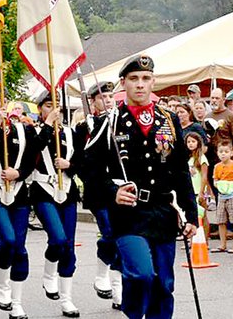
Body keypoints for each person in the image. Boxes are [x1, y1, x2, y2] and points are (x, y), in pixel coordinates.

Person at [85, 54, 197, 319]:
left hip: (162, 212)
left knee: (163, 285)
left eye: (146, 79)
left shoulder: (169, 121)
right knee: (141, 274)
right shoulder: (109, 123)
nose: (140, 84)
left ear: (153, 82)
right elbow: (90, 174)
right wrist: (113, 192)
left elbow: (181, 170)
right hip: (128, 215)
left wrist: (192, 215)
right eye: (134, 79)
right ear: (123, 83)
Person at [0, 105, 39, 319]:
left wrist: (18, 173)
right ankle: (3, 286)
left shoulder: (22, 130)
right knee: (8, 240)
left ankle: (17, 302)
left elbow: (31, 160)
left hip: (18, 191)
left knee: (19, 247)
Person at [32, 91, 84, 318]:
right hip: (43, 190)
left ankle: (67, 299)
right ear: (40, 109)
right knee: (58, 239)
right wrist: (47, 124)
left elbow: (82, 162)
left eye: (56, 105)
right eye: (47, 105)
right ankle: (48, 272)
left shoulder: (71, 134)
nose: (53, 109)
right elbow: (31, 151)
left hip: (68, 191)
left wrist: (69, 164)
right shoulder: (33, 131)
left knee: (69, 246)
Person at [80, 80, 122, 309]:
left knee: (119, 237)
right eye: (102, 98)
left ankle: (117, 292)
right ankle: (101, 274)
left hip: (118, 188)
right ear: (93, 102)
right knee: (109, 232)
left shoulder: (119, 123)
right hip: (98, 190)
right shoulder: (85, 127)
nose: (108, 101)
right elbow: (81, 160)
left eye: (110, 97)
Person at [211, 143, 233, 253]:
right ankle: (222, 244)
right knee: (221, 220)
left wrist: (231, 183)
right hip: (221, 196)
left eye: (226, 152)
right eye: (221, 152)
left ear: (231, 153)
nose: (223, 154)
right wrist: (219, 184)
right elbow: (215, 181)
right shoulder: (217, 167)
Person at [185, 132, 210, 241]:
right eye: (188, 142)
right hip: (190, 191)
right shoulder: (188, 158)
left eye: (193, 141)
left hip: (199, 191)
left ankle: (206, 240)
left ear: (198, 143)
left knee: (203, 216)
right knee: (191, 217)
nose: (190, 144)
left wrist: (201, 192)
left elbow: (204, 176)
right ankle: (192, 241)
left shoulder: (202, 158)